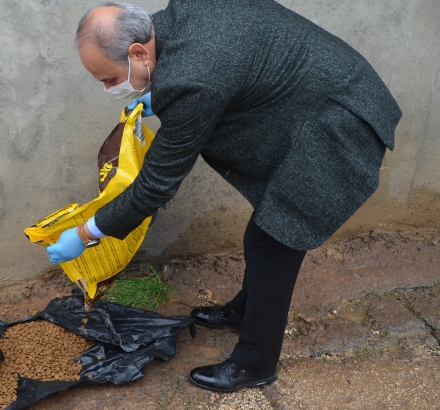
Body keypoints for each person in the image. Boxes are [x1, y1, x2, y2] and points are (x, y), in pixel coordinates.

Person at [45, 0, 402, 393]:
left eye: (110, 79)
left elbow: (155, 185)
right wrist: (159, 96)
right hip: (321, 93)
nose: (111, 89)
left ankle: (256, 363)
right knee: (265, 234)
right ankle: (247, 311)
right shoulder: (181, 18)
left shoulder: (192, 79)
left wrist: (84, 234)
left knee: (274, 241)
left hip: (342, 121)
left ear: (138, 53)